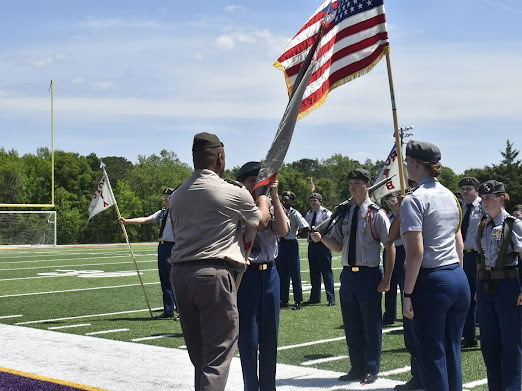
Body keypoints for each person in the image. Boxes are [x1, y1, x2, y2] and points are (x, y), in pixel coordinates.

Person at [168, 133, 266, 391]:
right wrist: (264, 198)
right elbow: (261, 222)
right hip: (213, 274)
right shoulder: (232, 191)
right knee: (216, 357)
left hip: (180, 274)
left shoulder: (178, 195)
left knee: (200, 358)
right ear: (220, 158)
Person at [311, 168, 395, 384]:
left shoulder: (376, 213)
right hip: (348, 275)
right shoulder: (345, 213)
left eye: (357, 182)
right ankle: (356, 367)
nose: (353, 186)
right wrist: (322, 239)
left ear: (367, 185)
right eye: (350, 183)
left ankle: (371, 367)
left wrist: (386, 280)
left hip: (369, 275)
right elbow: (338, 246)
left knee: (370, 324)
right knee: (352, 325)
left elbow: (389, 246)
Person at [400, 140, 470, 391]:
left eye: (408, 161)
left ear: (417, 163)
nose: (406, 165)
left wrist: (407, 293)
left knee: (432, 356)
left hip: (432, 281)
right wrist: (457, 274)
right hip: (456, 277)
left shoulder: (414, 199)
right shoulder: (451, 196)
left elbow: (415, 253)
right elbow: (458, 242)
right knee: (452, 350)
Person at [235, 161, 288, 391]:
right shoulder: (239, 205)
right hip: (247, 275)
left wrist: (274, 196)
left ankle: (268, 386)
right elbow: (260, 221)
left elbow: (283, 230)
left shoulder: (269, 202)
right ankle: (251, 387)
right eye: (252, 182)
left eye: (262, 182)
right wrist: (264, 201)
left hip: (270, 274)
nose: (257, 186)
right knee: (249, 338)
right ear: (243, 184)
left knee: (269, 336)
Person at [476, 180, 522, 391]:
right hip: (486, 286)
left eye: (489, 198)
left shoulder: (514, 224)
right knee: (489, 343)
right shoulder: (483, 224)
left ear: (502, 198)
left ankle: (511, 387)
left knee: (511, 343)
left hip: (509, 286)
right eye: (483, 198)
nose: (485, 202)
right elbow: (481, 257)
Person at [119, 187, 177, 319]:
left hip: (174, 247)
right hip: (162, 247)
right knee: (164, 280)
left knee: (175, 279)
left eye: (168, 196)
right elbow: (146, 219)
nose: (165, 198)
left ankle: (181, 310)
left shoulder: (180, 212)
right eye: (164, 196)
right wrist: (126, 221)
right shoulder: (162, 212)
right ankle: (168, 310)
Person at [458, 177, 484, 348]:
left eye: (469, 188)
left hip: (479, 256)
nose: (466, 191)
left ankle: (485, 332)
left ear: (476, 190)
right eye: (463, 189)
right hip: (462, 255)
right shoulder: (460, 208)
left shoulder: (483, 206)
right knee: (465, 296)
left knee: (481, 295)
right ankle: (469, 335)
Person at [276, 191, 309, 310]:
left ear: (292, 201)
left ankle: (298, 300)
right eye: (283, 199)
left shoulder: (294, 213)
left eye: (287, 199)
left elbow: (305, 227)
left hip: (291, 243)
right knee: (282, 273)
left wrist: (298, 234)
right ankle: (283, 299)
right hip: (281, 244)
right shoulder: (278, 212)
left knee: (294, 273)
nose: (284, 201)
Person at [304, 193, 335, 306]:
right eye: (311, 200)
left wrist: (321, 234)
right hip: (312, 244)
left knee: (326, 271)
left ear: (320, 201)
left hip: (323, 244)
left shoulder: (326, 213)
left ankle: (331, 298)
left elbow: (332, 227)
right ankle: (315, 297)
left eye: (315, 200)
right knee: (314, 272)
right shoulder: (309, 213)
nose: (313, 203)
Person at [381, 193, 405, 326]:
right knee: (389, 281)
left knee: (403, 283)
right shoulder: (386, 216)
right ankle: (389, 315)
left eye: (392, 200)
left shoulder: (405, 215)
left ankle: (405, 314)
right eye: (388, 200)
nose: (390, 202)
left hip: (402, 250)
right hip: (389, 249)